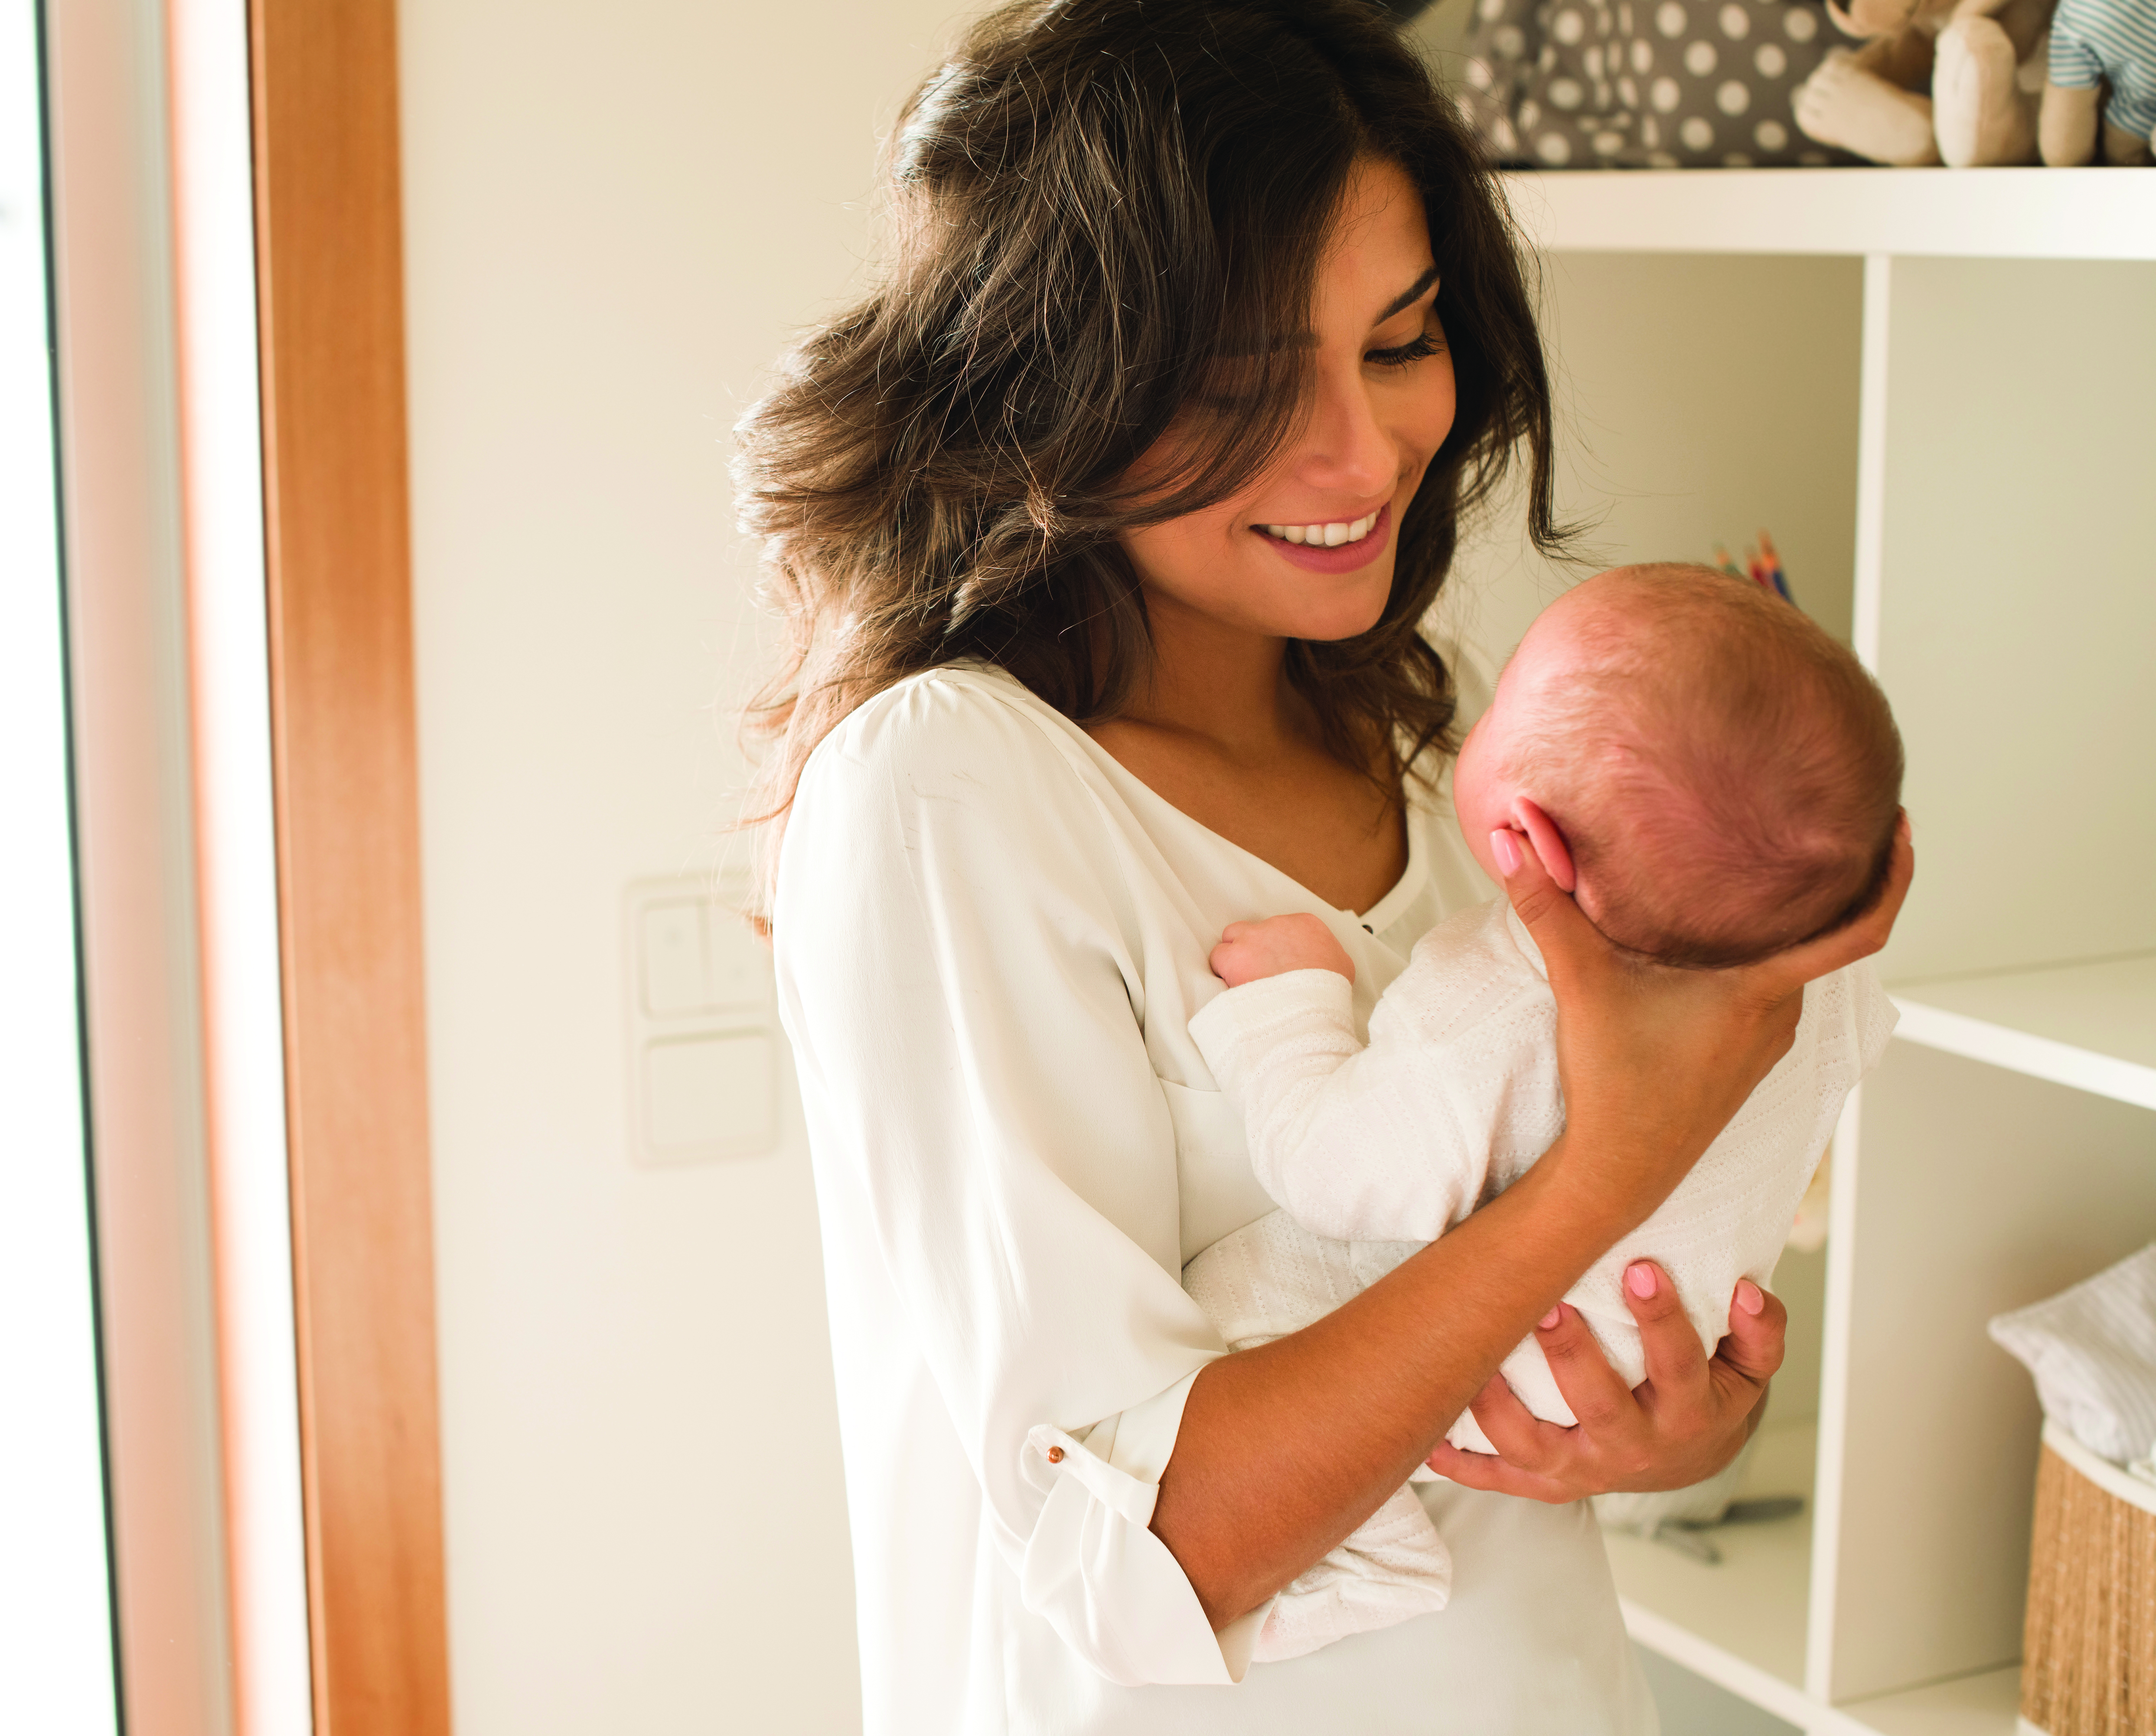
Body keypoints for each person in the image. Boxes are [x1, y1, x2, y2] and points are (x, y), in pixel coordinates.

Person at [737, 2, 1912, 1729]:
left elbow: (1533, 1362)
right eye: (1243, 389)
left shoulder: (1449, 753)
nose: (1362, 455)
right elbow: (1155, 1543)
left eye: (1402, 338)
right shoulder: (950, 794)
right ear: (1051, 380)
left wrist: (1676, 1413)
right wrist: (1605, 1171)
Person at [1177, 563, 1906, 1659]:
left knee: (1236, 1303)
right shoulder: (1827, 985)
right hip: (1651, 1353)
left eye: (1507, 686)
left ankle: (1370, 1549)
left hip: (1512, 1378)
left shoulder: (1504, 991)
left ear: (1533, 837)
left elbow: (1335, 1169)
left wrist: (1290, 1007)